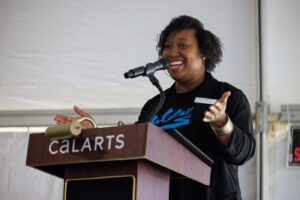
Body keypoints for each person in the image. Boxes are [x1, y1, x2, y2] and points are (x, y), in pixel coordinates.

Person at [54, 15, 256, 200]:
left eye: (182, 45)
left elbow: (244, 152)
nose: (171, 52)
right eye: (167, 47)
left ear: (203, 52)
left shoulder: (226, 96)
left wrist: (222, 123)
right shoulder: (155, 105)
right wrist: (96, 135)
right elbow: (132, 149)